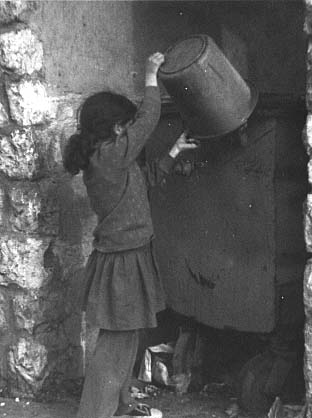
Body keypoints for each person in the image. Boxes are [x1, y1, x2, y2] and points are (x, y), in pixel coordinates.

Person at [63, 52, 198, 418]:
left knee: (129, 338)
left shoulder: (112, 160)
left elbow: (145, 182)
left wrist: (173, 152)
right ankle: (94, 414)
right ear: (115, 129)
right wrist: (152, 76)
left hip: (130, 256)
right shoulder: (107, 156)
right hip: (122, 262)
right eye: (125, 125)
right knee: (116, 345)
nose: (130, 130)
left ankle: (119, 408)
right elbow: (150, 117)